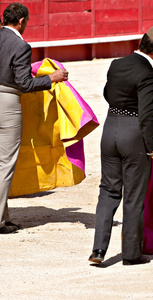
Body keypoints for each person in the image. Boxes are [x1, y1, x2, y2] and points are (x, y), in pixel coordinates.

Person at [88, 26, 153, 265]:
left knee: (108, 191)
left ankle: (98, 251)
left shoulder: (116, 65)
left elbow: (107, 94)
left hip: (109, 129)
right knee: (133, 196)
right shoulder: (149, 74)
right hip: (133, 134)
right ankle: (131, 254)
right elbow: (147, 117)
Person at [0, 2, 68, 235]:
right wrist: (53, 78)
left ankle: (4, 216)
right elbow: (24, 83)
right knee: (5, 164)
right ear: (21, 22)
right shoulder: (21, 45)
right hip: (7, 103)